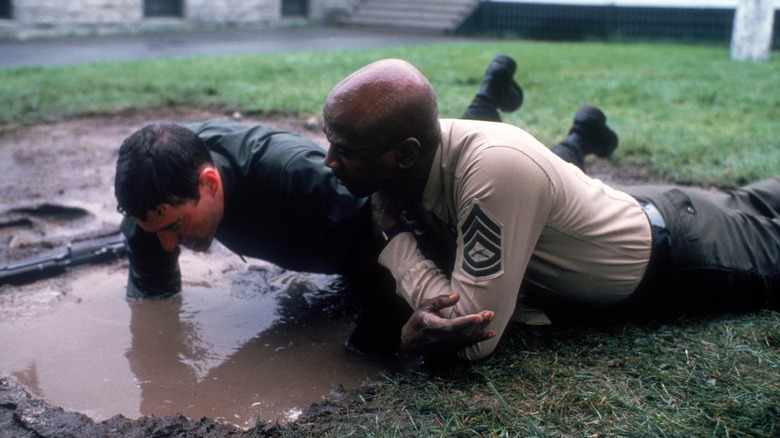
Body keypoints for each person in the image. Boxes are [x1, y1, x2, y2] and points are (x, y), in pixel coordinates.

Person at [113, 55, 620, 355]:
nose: (167, 243)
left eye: (177, 228)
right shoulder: (151, 202)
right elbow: (152, 305)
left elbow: (392, 232)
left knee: (464, 186)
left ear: (209, 183)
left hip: (394, 202)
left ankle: (578, 138)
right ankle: (492, 88)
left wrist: (372, 344)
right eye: (155, 231)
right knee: (453, 166)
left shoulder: (308, 184)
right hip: (365, 202)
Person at [321, 58, 780, 361]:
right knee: (754, 200)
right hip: (646, 208)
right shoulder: (421, 155)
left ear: (404, 153)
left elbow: (472, 338)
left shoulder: (490, 170)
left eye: (345, 151)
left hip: (681, 257)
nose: (329, 161)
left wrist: (392, 237)